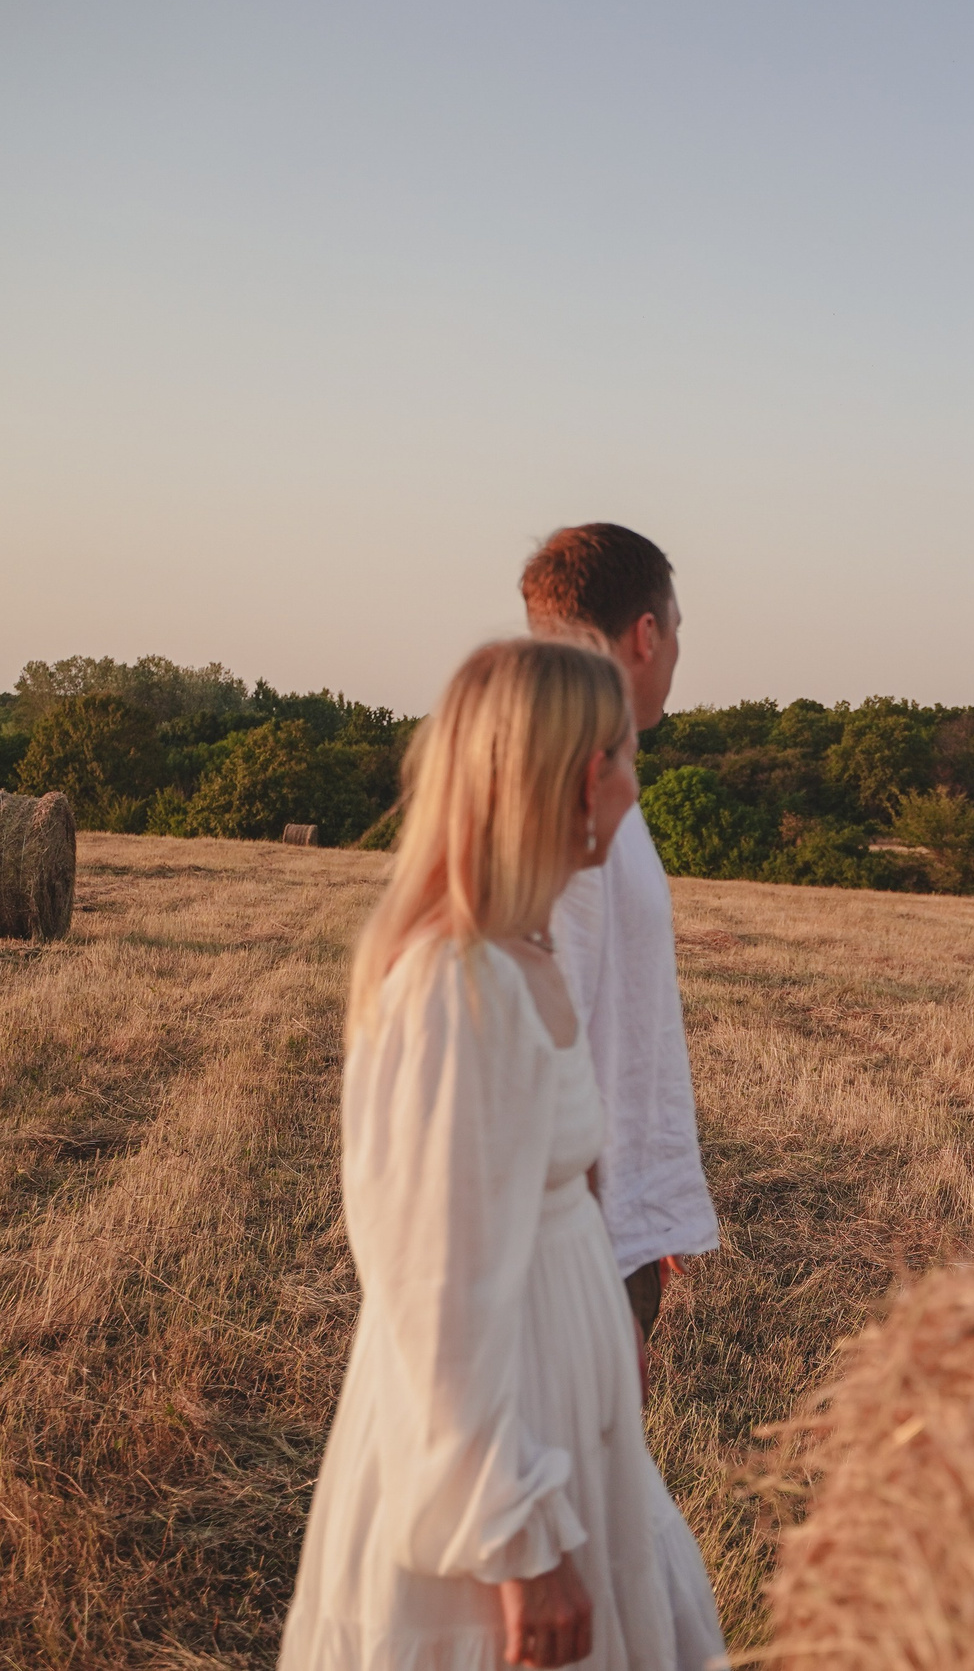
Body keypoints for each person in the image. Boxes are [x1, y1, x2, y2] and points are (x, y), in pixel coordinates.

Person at [280, 637, 724, 1671]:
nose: (632, 783)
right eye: (623, 758)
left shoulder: (523, 953)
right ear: (581, 777)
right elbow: (430, 1294)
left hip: (558, 1382)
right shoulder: (453, 990)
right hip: (490, 1431)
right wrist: (516, 1545)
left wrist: (610, 1337)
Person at [519, 525, 719, 1348]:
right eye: (677, 632)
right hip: (573, 1238)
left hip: (601, 1214)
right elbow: (539, 1029)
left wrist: (641, 1199)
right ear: (649, 634)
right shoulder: (573, 793)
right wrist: (599, 1233)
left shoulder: (593, 778)